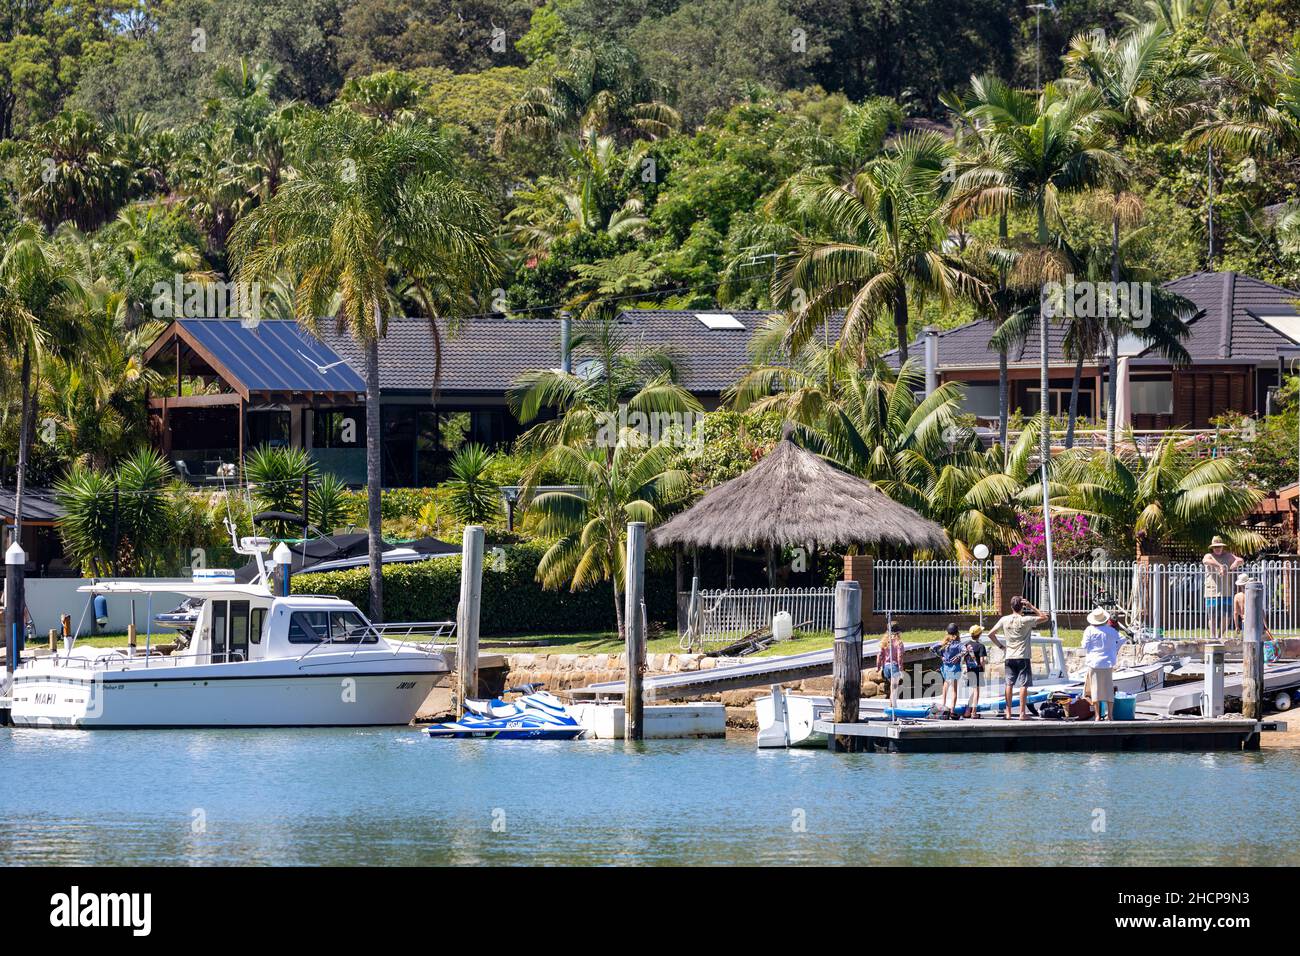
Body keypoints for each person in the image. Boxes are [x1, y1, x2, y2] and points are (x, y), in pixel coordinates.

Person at [987, 595, 1048, 720]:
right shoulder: (1026, 620)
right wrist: (1031, 606)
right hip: (1023, 656)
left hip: (1009, 656)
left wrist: (1001, 646)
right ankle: (1022, 713)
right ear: (1022, 607)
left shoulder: (1004, 619)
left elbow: (990, 634)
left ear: (1011, 606)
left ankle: (1008, 713)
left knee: (1009, 684)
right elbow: (1044, 617)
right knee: (1023, 685)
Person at [1081, 607, 1125, 720]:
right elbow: (1122, 639)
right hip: (1107, 663)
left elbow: (1084, 645)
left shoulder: (1089, 630)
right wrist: (1114, 649)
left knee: (1095, 689)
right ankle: (1110, 715)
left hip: (1094, 662)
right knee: (1108, 688)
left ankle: (1097, 715)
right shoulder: (1111, 630)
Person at [1203, 535, 1244, 641]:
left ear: (1222, 547)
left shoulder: (1228, 555)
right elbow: (1206, 561)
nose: (1217, 548)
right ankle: (1213, 636)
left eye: (1219, 546)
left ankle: (1220, 636)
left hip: (1226, 591)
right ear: (1212, 547)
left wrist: (1235, 563)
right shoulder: (1209, 555)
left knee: (1227, 616)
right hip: (1211, 591)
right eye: (1215, 546)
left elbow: (1240, 560)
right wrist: (1219, 566)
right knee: (1212, 616)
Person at [1233, 572, 1278, 662]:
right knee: (1258, 640)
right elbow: (1261, 611)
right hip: (1256, 620)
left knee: (1246, 641)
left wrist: (1236, 626)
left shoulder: (1237, 596)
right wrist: (1265, 624)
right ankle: (1258, 659)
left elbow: (1235, 612)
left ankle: (1248, 659)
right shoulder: (1254, 593)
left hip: (1245, 621)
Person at [878, 621, 906, 718]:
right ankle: (893, 711)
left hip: (886, 667)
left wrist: (879, 667)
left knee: (892, 688)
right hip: (894, 667)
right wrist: (901, 669)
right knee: (894, 690)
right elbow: (900, 657)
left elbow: (880, 655)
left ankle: (891, 709)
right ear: (898, 632)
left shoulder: (884, 641)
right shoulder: (899, 643)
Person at [936, 623, 964, 718]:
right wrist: (958, 656)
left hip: (945, 668)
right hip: (954, 668)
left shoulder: (944, 643)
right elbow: (965, 651)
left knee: (945, 687)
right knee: (954, 690)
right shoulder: (958, 644)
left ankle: (943, 707)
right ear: (957, 633)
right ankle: (952, 711)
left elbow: (932, 648)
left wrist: (941, 656)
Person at [963, 625, 987, 718]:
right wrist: (983, 669)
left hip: (970, 669)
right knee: (977, 691)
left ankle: (967, 711)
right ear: (980, 634)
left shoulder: (967, 645)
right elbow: (981, 660)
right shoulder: (981, 646)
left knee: (974, 691)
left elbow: (964, 658)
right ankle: (974, 712)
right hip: (978, 670)